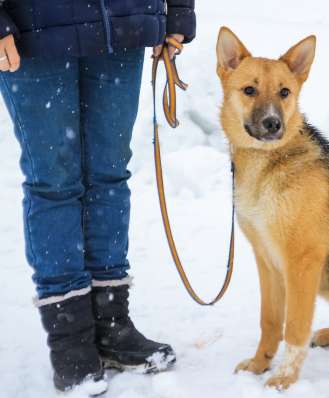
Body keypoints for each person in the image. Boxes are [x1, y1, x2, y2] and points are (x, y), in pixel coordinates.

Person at [0, 1, 195, 393]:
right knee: (53, 182)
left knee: (108, 175)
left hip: (122, 25)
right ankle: (70, 339)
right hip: (32, 29)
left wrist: (176, 11)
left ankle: (111, 325)